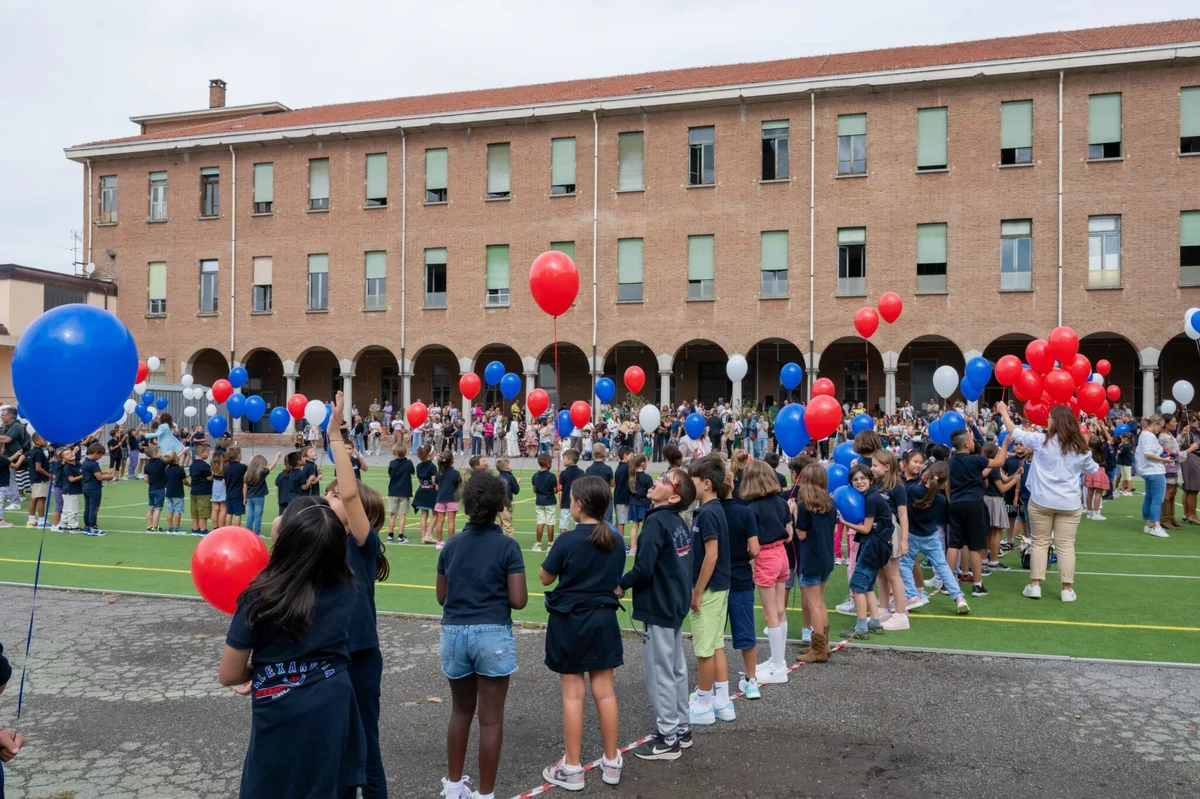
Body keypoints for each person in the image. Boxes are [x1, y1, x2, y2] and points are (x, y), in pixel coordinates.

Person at [218, 496, 366, 798]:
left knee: (273, 785)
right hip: (333, 703)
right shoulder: (347, 587)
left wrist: (263, 669)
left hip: (279, 705)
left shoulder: (260, 596)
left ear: (286, 540)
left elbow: (229, 674)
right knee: (327, 784)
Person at [437, 472, 528, 799]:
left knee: (460, 711)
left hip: (455, 631)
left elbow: (441, 596)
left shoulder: (452, 545)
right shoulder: (507, 546)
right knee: (490, 720)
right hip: (492, 632)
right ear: (500, 506)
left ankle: (454, 786)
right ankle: (485, 794)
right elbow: (518, 600)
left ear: (465, 505)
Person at [322, 391, 389, 799]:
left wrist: (334, 436)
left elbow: (349, 493)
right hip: (325, 654)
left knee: (366, 747)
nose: (330, 498)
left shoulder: (364, 544)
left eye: (334, 495)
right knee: (336, 747)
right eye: (328, 493)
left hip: (359, 656)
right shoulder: (319, 543)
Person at [538, 476, 625, 791]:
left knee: (573, 696)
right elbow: (615, 581)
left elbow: (545, 577)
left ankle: (572, 767)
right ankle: (612, 760)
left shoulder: (567, 541)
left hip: (571, 623)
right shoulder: (616, 539)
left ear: (578, 504)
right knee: (606, 692)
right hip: (603, 621)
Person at [618, 467, 695, 761]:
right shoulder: (677, 522)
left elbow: (643, 568)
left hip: (660, 605)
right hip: (674, 603)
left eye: (666, 480)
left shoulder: (657, 522)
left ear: (674, 497)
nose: (658, 481)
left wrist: (620, 585)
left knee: (660, 671)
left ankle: (668, 737)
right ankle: (681, 726)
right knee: (675, 667)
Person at [996, 402, 1097, 602]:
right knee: (1066, 545)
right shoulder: (1080, 448)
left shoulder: (1041, 440)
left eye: (1050, 417)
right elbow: (1092, 469)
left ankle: (1035, 585)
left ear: (1057, 421)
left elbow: (1014, 431)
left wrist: (1003, 412)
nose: (1047, 419)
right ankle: (1067, 589)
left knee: (1040, 542)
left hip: (1042, 500)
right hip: (1068, 502)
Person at [686, 455, 734, 726]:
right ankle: (722, 699)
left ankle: (704, 703)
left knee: (704, 648)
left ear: (705, 484)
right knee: (715, 644)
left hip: (710, 589)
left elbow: (711, 555)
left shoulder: (708, 512)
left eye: (691, 482)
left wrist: (697, 592)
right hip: (718, 587)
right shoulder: (711, 510)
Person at [740, 460, 792, 683]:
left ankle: (778, 666)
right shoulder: (782, 503)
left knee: (770, 613)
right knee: (780, 610)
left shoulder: (751, 510)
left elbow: (752, 546)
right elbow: (789, 535)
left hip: (766, 557)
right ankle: (778, 660)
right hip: (782, 555)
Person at [946, 427, 1011, 597]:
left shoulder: (950, 462)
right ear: (967, 443)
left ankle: (947, 583)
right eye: (972, 439)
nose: (974, 441)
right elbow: (999, 462)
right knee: (975, 545)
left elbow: (947, 484)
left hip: (956, 504)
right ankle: (977, 585)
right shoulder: (976, 460)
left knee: (954, 544)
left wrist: (951, 499)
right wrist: (1004, 445)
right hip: (974, 503)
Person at [900, 461, 970, 614]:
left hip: (912, 535)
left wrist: (921, 480)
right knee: (942, 567)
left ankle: (912, 595)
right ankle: (959, 598)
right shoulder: (941, 500)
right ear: (944, 483)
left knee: (904, 564)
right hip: (931, 536)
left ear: (926, 476)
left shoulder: (912, 490)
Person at [719, 465, 761, 699]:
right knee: (746, 633)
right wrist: (740, 557)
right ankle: (751, 678)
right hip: (740, 577)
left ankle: (716, 683)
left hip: (715, 580)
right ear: (733, 485)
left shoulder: (706, 512)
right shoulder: (745, 513)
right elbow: (754, 549)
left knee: (714, 637)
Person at [837, 464, 890, 639]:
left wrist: (842, 522)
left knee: (857, 586)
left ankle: (861, 627)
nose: (859, 482)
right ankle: (875, 623)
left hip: (873, 545)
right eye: (855, 480)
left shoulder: (871, 499)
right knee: (867, 586)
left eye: (863, 478)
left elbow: (866, 529)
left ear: (871, 480)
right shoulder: (870, 496)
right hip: (878, 544)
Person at [793, 464, 838, 662]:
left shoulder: (804, 507)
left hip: (811, 558)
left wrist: (794, 514)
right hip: (826, 557)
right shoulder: (830, 504)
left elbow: (801, 534)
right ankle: (823, 643)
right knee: (820, 601)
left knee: (815, 604)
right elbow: (835, 532)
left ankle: (819, 648)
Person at [1135, 415, 1173, 538]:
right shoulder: (1149, 436)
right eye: (1160, 426)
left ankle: (1148, 524)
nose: (1160, 429)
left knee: (1149, 498)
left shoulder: (1143, 434)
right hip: (1154, 470)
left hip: (1148, 471)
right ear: (1155, 424)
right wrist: (1164, 459)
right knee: (1157, 499)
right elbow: (1148, 454)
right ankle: (1156, 526)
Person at [1159, 414, 1187, 530]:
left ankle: (1170, 517)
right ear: (1165, 423)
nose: (1175, 424)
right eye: (1173, 422)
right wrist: (1189, 450)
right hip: (1168, 467)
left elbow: (1174, 446)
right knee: (1168, 493)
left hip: (1173, 467)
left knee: (1172, 492)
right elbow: (1171, 454)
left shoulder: (1169, 435)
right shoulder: (1164, 437)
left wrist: (1182, 435)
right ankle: (1165, 518)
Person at [81, 442, 113, 536]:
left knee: (87, 508)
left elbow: (93, 473)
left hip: (86, 487)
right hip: (94, 488)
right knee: (94, 508)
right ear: (96, 453)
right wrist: (109, 477)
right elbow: (99, 477)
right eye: (100, 455)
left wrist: (104, 472)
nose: (100, 457)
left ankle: (87, 526)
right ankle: (92, 527)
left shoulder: (85, 462)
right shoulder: (94, 464)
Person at [432, 450, 462, 549]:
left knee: (440, 521)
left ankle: (439, 542)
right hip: (451, 499)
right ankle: (450, 543)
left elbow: (436, 488)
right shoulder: (455, 473)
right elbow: (460, 487)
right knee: (451, 521)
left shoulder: (438, 473)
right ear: (452, 461)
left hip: (440, 499)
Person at [243, 454, 278, 537]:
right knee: (258, 515)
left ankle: (248, 530)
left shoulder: (248, 473)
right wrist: (277, 456)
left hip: (249, 497)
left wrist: (244, 497)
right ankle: (257, 532)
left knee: (250, 515)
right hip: (259, 497)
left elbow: (244, 486)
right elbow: (272, 465)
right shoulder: (262, 473)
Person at [386, 444, 414, 543]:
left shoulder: (392, 464)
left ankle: (390, 535)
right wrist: (408, 459)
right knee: (402, 515)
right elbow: (413, 472)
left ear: (395, 454)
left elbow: (390, 474)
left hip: (393, 491)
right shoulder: (408, 463)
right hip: (404, 492)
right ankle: (401, 536)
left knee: (392, 514)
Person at [532, 453, 558, 552]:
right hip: (550, 501)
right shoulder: (552, 476)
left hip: (539, 501)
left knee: (540, 522)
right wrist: (558, 487)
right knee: (550, 523)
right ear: (548, 463)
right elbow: (555, 491)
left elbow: (534, 490)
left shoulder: (535, 476)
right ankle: (550, 544)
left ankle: (538, 544)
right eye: (551, 463)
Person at [627, 453, 653, 555]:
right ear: (643, 464)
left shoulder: (631, 478)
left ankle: (633, 548)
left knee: (634, 526)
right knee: (645, 526)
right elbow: (650, 491)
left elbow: (629, 490)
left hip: (634, 504)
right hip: (644, 504)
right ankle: (644, 547)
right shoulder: (647, 478)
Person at [25, 435, 51, 528]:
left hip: (34, 478)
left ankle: (31, 520)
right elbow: (38, 468)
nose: (46, 441)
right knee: (41, 499)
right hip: (40, 479)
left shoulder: (34, 451)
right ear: (36, 441)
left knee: (35, 498)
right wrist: (50, 475)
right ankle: (41, 520)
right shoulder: (39, 452)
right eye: (44, 439)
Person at [558, 449, 585, 537]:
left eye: (564, 458)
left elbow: (560, 487)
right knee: (578, 521)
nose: (563, 460)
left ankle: (562, 538)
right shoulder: (581, 472)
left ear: (570, 460)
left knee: (563, 522)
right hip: (578, 501)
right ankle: (579, 537)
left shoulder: (564, 473)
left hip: (566, 500)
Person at [414, 444, 438, 545]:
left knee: (424, 514)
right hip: (431, 492)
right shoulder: (432, 466)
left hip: (422, 491)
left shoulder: (419, 466)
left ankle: (423, 535)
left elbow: (420, 480)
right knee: (435, 514)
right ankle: (429, 534)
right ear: (429, 455)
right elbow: (434, 481)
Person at [189, 442, 214, 536]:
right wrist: (214, 474)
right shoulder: (204, 465)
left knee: (194, 511)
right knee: (203, 510)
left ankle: (195, 529)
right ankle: (203, 530)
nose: (208, 454)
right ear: (201, 453)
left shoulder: (192, 465)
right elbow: (209, 478)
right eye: (207, 452)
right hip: (204, 491)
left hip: (194, 491)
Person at [142, 444, 166, 532]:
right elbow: (171, 459)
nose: (161, 453)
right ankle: (155, 526)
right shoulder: (161, 463)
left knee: (150, 508)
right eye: (160, 452)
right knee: (158, 508)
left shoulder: (147, 466)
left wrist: (152, 482)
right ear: (154, 454)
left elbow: (145, 479)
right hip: (160, 489)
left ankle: (149, 526)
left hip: (151, 488)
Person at [162, 451, 188, 534]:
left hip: (169, 492)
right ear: (176, 458)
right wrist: (189, 484)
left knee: (170, 510)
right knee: (177, 511)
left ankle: (170, 527)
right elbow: (184, 481)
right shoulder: (180, 469)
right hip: (178, 493)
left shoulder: (167, 469)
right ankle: (177, 527)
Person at [223, 445, 247, 528]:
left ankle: (228, 528)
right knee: (238, 514)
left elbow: (224, 481)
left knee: (229, 513)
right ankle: (237, 529)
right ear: (238, 455)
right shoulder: (242, 467)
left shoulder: (226, 468)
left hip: (229, 493)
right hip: (238, 494)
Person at [495, 458, 520, 537]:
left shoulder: (497, 477)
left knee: (497, 524)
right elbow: (516, 491)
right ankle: (511, 540)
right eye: (510, 464)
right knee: (507, 524)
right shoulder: (511, 477)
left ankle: (496, 540)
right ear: (507, 467)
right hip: (506, 504)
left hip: (496, 503)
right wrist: (517, 482)